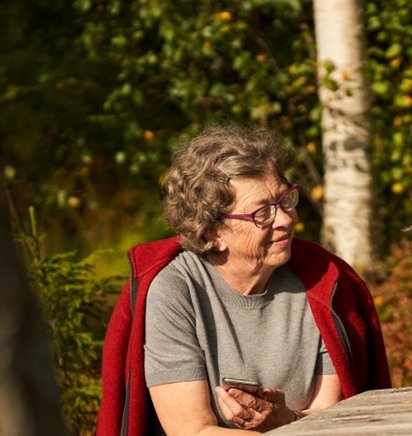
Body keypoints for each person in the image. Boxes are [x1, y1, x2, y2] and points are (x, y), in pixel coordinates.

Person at [97, 125, 391, 436]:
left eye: (285, 199)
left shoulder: (325, 283)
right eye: (261, 213)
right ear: (213, 232)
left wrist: (285, 420)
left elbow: (330, 418)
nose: (285, 219)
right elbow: (192, 431)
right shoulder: (175, 290)